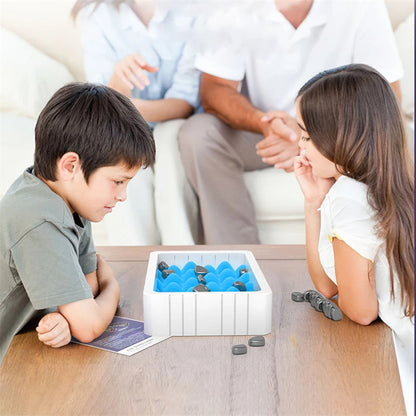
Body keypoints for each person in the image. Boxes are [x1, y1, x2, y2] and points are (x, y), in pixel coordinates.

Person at [178, 0, 404, 244]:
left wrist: (310, 138)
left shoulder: (363, 5)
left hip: (335, 133)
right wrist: (266, 124)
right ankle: (240, 265)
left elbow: (385, 98)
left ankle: (386, 252)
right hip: (264, 131)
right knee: (198, 135)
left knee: (399, 137)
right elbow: (215, 89)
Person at [0, 83, 155, 364]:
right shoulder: (38, 218)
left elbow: (88, 288)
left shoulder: (72, 201)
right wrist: (113, 288)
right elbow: (88, 325)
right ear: (70, 166)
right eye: (118, 181)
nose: (122, 196)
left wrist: (62, 315)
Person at [294, 64, 414, 416]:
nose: (300, 147)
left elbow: (361, 312)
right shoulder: (390, 187)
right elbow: (327, 286)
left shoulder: (349, 198)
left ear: (341, 136)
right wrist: (315, 203)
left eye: (306, 136)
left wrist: (329, 204)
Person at [72, 0, 201, 245]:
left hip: (173, 122)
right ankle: (135, 261)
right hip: (120, 121)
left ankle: (183, 258)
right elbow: (103, 104)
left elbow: (184, 103)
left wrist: (130, 106)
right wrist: (119, 83)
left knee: (170, 143)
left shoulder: (194, 10)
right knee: (118, 155)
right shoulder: (95, 15)